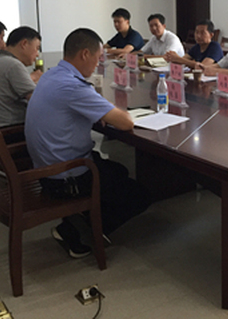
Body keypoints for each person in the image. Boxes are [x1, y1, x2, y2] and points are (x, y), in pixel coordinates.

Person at [25, 28, 151, 258]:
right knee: (140, 194)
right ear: (84, 54)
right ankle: (78, 231)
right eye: (98, 57)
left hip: (45, 168)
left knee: (119, 171)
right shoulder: (73, 86)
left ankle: (83, 218)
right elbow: (125, 122)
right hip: (66, 177)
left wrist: (96, 112)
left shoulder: (52, 75)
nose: (98, 64)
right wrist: (107, 112)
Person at [0, 26, 42, 131]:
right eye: (37, 48)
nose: (37, 54)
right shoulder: (13, 65)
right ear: (24, 44)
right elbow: (37, 99)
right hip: (8, 130)